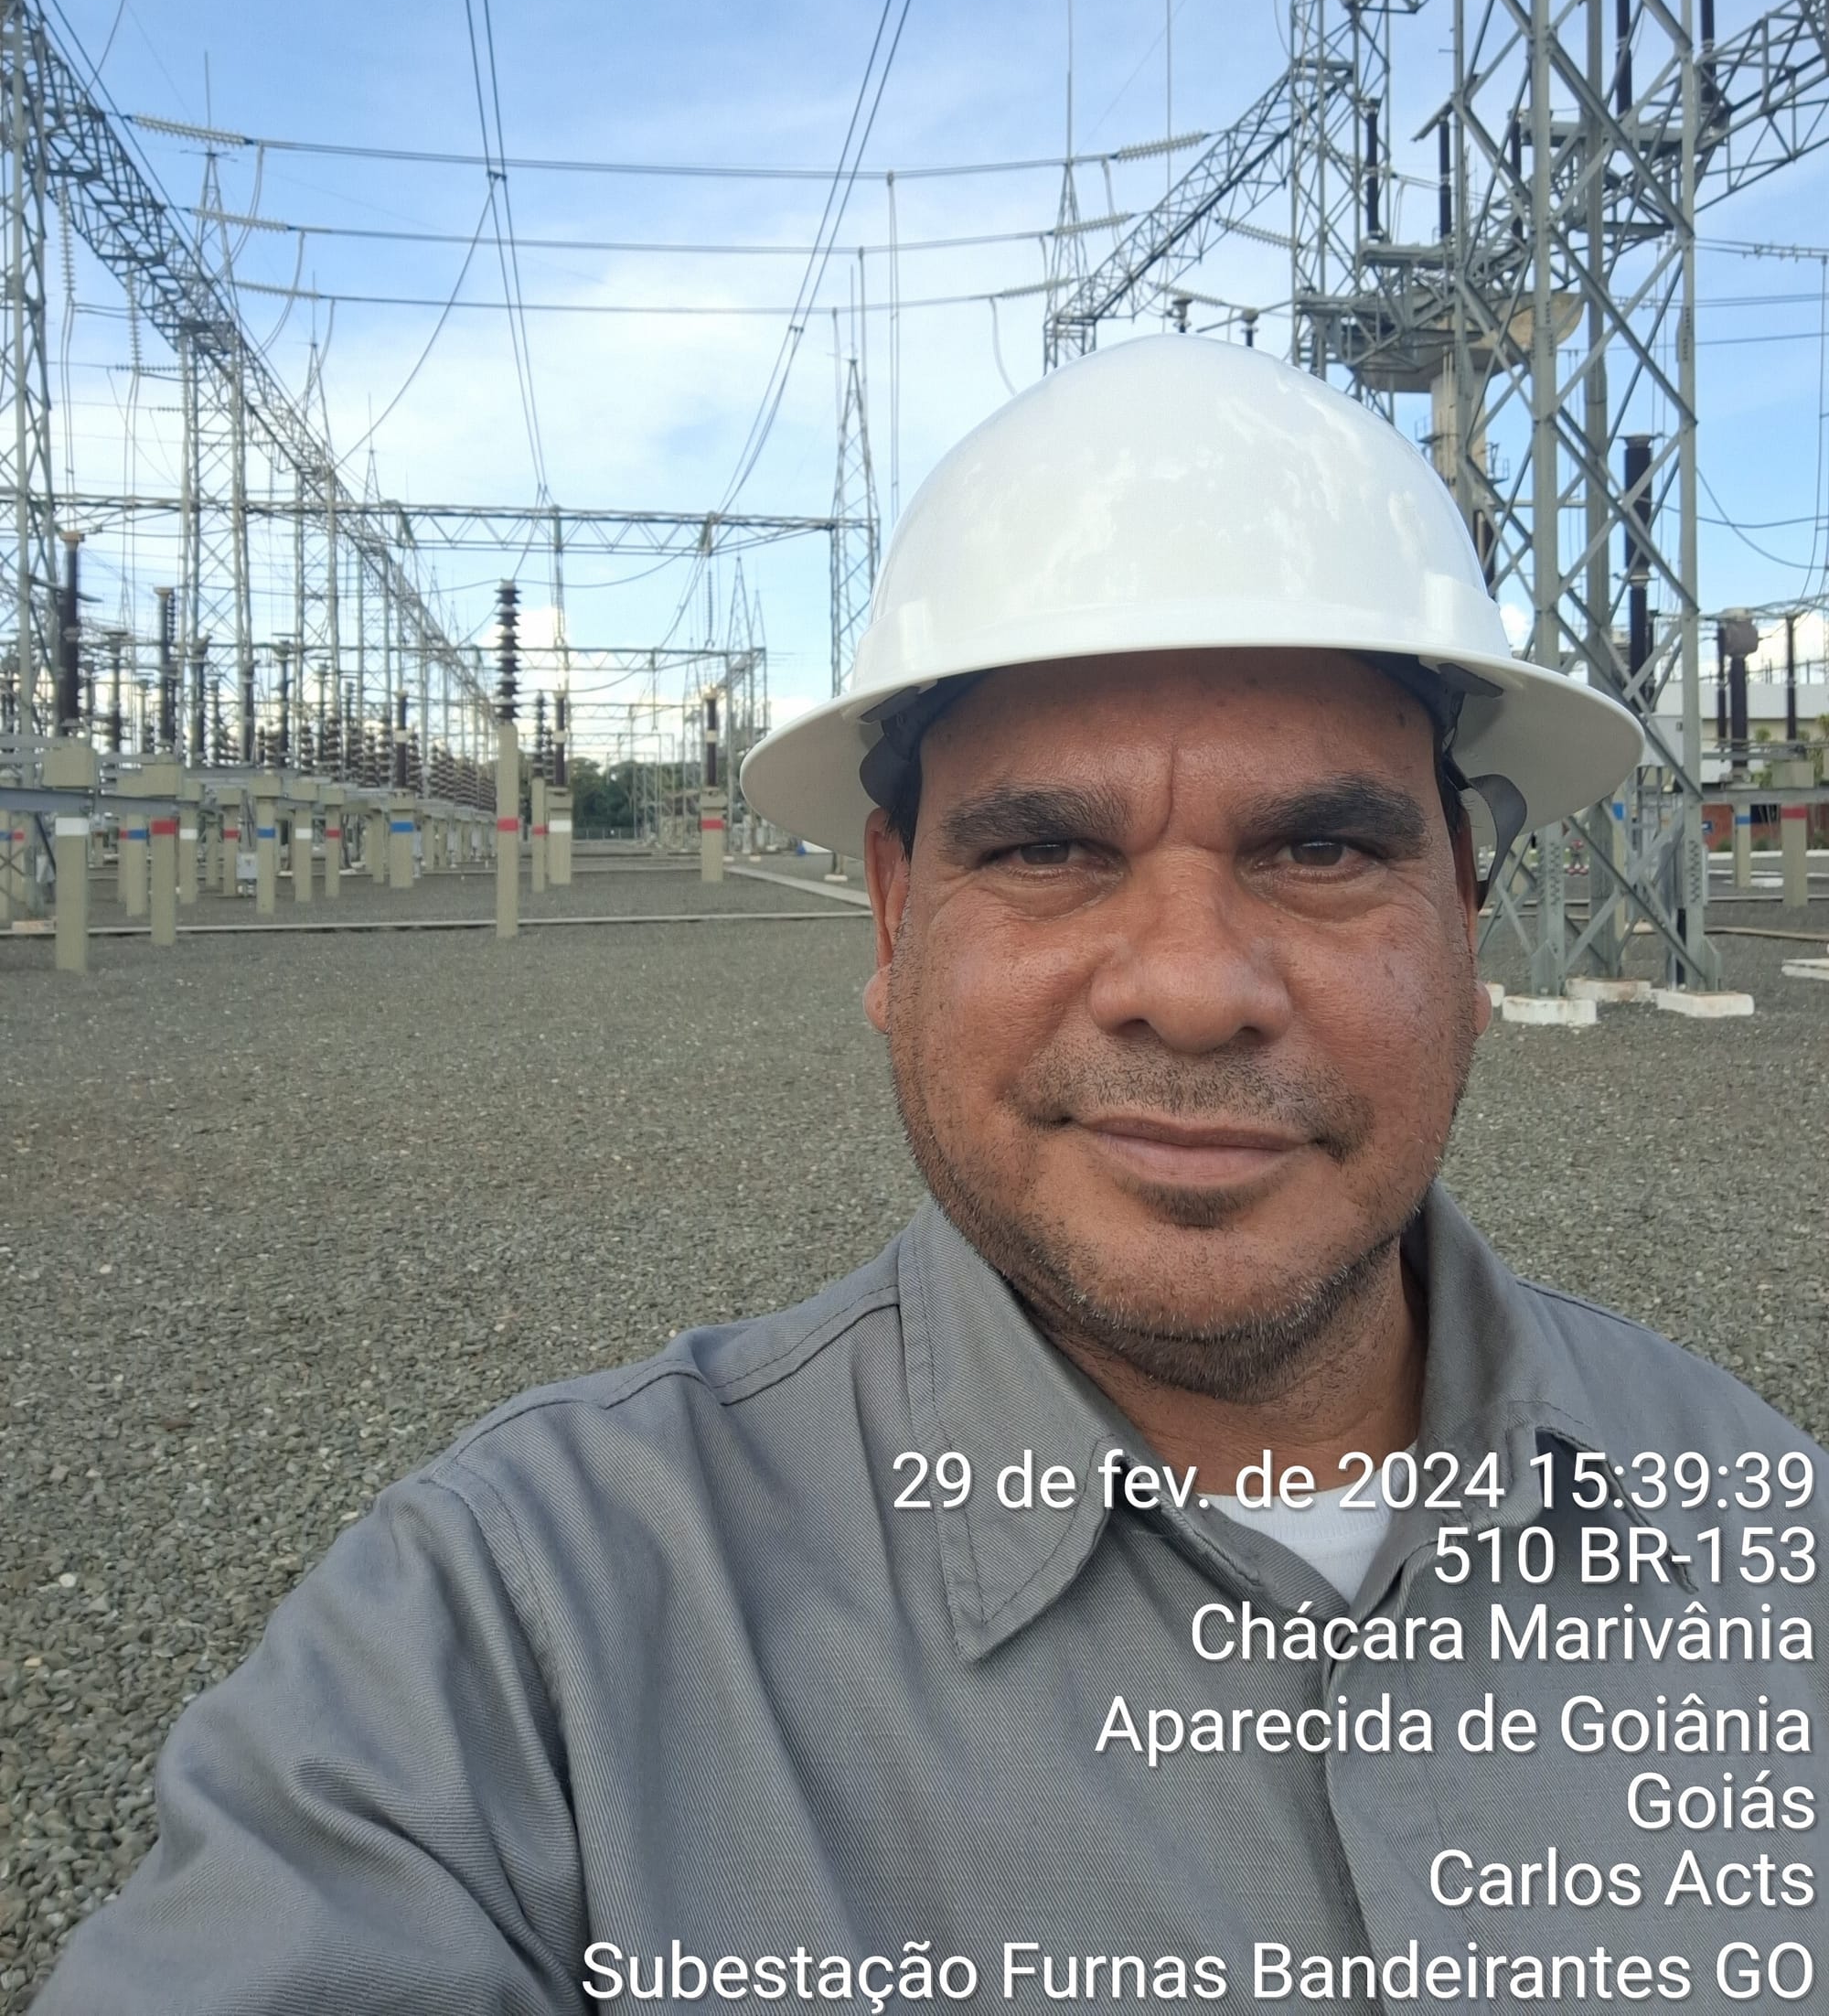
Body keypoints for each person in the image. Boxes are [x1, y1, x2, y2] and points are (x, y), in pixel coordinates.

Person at [37, 338, 1826, 2012]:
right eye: (1047, 849)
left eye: (1322, 847)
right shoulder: (527, 1645)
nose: (1190, 983)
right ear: (896, 917)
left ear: (1465, 912)